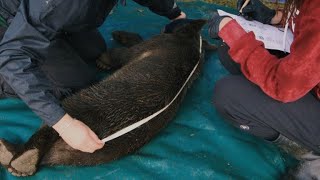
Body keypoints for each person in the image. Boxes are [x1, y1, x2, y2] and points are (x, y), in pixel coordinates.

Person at [0, 0, 186, 154]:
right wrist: (64, 124)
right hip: (9, 29)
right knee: (75, 82)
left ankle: (53, 33)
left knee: (95, 50)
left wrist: (175, 14)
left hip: (46, 13)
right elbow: (14, 56)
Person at [208, 0, 320, 178]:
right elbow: (309, 26)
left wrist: (234, 34)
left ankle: (315, 157)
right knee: (229, 51)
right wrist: (274, 18)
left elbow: (284, 85)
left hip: (295, 85)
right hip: (312, 83)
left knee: (229, 95)